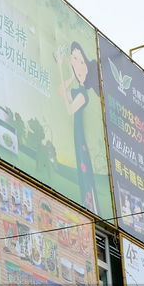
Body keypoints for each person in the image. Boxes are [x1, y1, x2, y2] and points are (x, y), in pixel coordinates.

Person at [58, 41, 105, 213]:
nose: (78, 66)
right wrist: (68, 73)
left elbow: (70, 109)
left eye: (81, 61)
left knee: (85, 173)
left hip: (81, 141)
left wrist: (69, 72)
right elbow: (61, 90)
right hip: (77, 138)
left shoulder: (83, 94)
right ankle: (88, 205)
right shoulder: (77, 90)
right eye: (74, 60)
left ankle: (91, 206)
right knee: (81, 170)